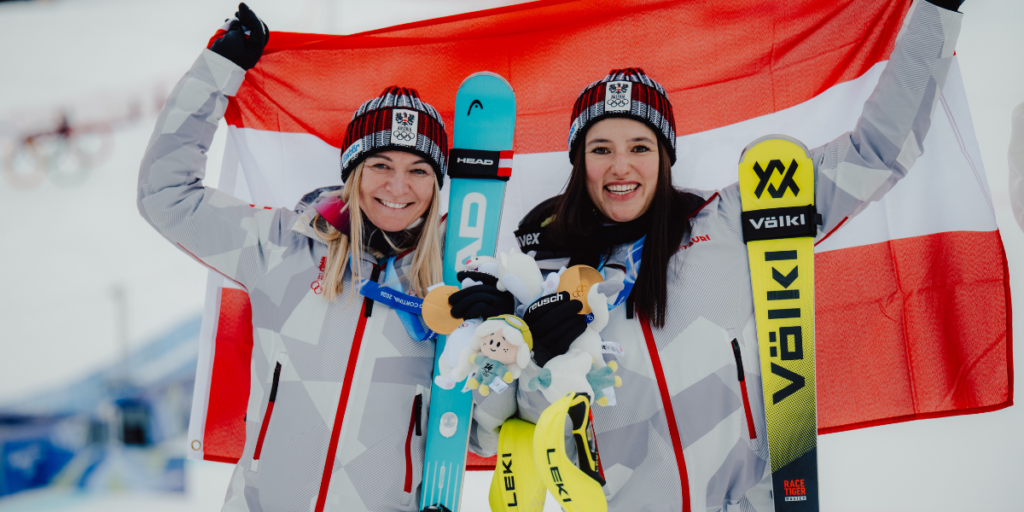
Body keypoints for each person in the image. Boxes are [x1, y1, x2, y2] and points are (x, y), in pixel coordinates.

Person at [504, 0, 966, 510]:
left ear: (664, 156)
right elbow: (504, 434)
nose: (621, 167)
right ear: (579, 161)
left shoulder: (729, 223)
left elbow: (873, 155)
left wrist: (936, 12)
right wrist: (537, 363)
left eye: (639, 146)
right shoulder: (543, 276)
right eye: (600, 149)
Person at [137, 5, 513, 511]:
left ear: (436, 184)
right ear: (353, 172)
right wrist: (217, 71)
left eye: (419, 170)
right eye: (380, 164)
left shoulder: (451, 289)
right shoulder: (281, 247)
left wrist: (496, 346)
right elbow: (164, 196)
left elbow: (483, 437)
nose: (398, 187)